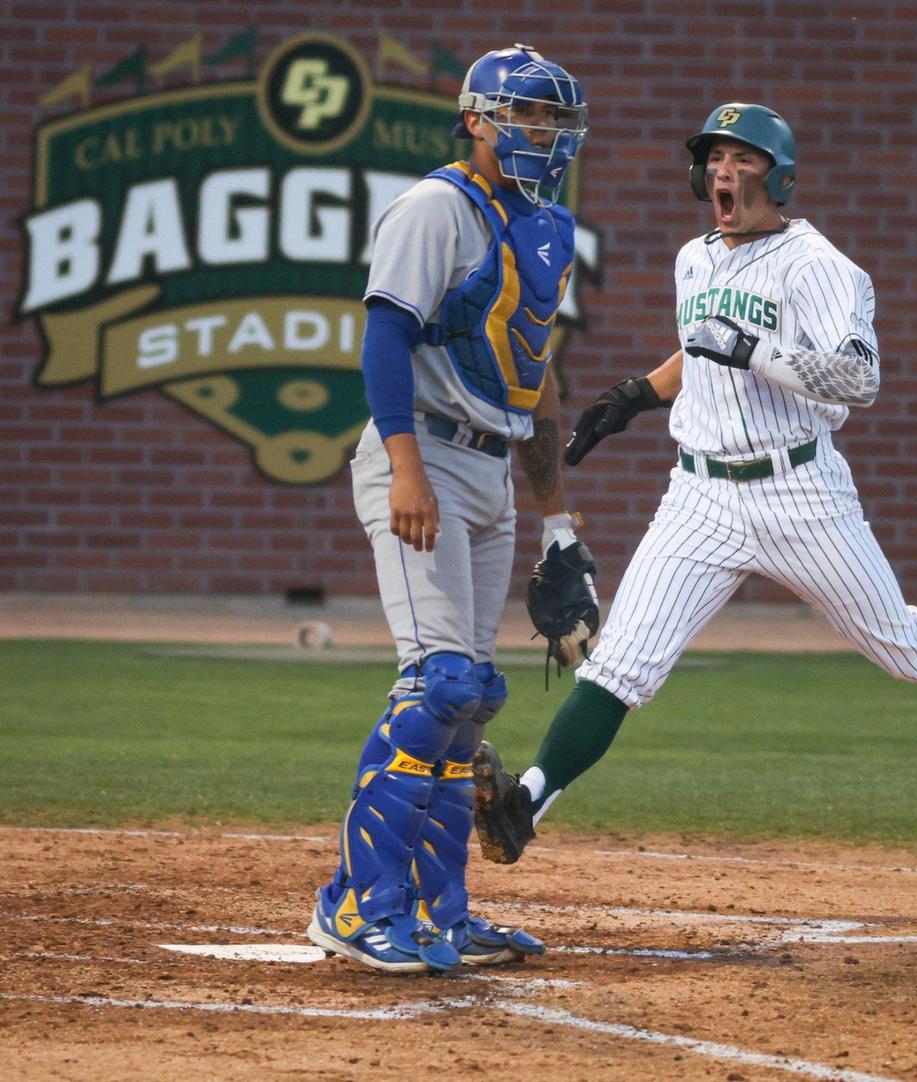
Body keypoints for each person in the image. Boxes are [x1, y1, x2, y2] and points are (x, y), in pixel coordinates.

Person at [472, 102, 917, 867]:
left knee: (904, 649)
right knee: (621, 664)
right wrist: (634, 394)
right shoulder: (694, 257)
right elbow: (702, 349)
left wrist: (752, 350)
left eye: (743, 158)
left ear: (779, 174)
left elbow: (859, 378)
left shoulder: (821, 267)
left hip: (799, 491)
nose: (724, 171)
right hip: (700, 495)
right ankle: (526, 805)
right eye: (715, 158)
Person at [306, 44, 594, 974]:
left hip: (492, 471)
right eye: (525, 116)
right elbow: (384, 335)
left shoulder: (548, 228)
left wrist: (560, 527)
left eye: (552, 120)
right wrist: (402, 466)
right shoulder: (437, 207)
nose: (542, 134)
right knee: (440, 688)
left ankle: (439, 913)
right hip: (421, 450)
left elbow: (540, 385)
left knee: (472, 703)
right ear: (475, 118)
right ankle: (353, 905)